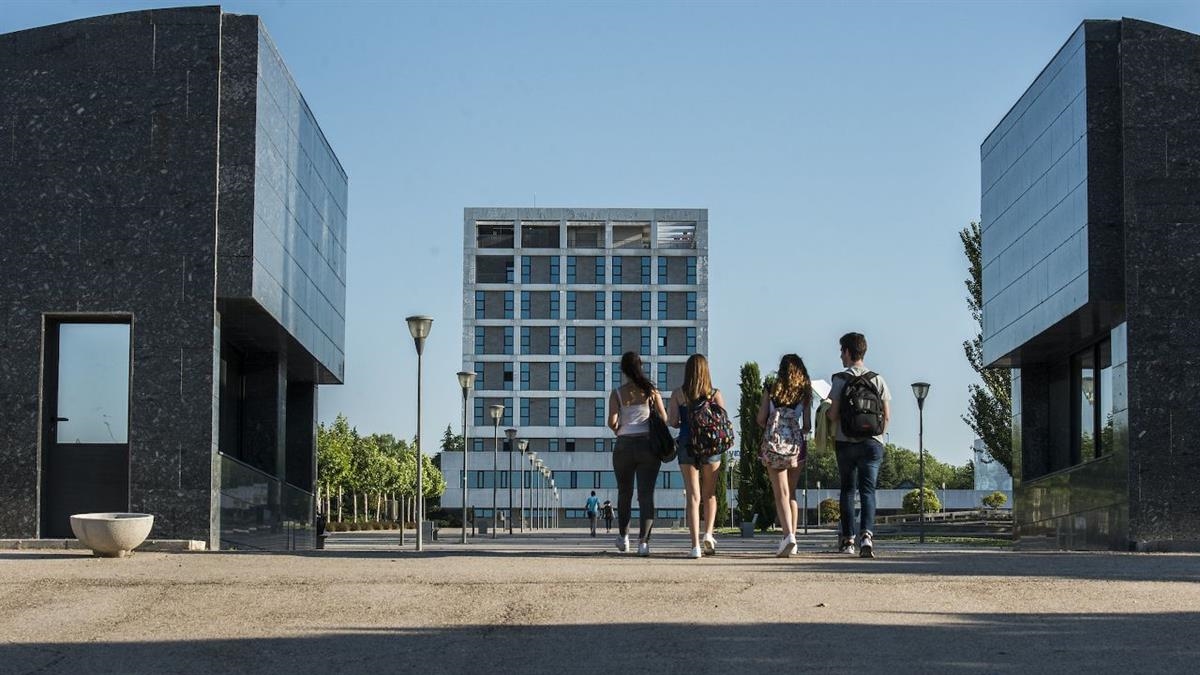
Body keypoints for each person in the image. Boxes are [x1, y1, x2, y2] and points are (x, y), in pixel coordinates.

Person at [826, 332, 891, 558]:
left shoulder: (839, 379)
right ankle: (867, 536)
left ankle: (848, 540)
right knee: (867, 491)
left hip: (845, 443)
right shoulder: (878, 379)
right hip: (872, 443)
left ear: (847, 352)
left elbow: (833, 415)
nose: (840, 355)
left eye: (841, 351)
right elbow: (887, 415)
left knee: (847, 490)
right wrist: (874, 435)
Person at [608, 351, 667, 556]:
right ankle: (644, 543)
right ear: (640, 366)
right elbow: (664, 417)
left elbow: (612, 422)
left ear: (623, 370)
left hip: (624, 446)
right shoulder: (651, 391)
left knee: (624, 493)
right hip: (648, 447)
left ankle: (624, 538)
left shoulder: (617, 392)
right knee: (646, 494)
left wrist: (619, 427)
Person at [668, 353, 726, 560]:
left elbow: (672, 421)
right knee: (710, 494)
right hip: (711, 447)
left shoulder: (678, 394)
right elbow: (722, 423)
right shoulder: (715, 394)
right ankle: (708, 534)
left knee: (693, 496)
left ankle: (694, 546)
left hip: (687, 445)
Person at [756, 354, 812, 557]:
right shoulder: (805, 393)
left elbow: (761, 419)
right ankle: (793, 540)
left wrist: (774, 422)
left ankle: (787, 536)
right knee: (792, 493)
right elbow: (807, 426)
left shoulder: (771, 389)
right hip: (797, 447)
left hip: (774, 445)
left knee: (781, 493)